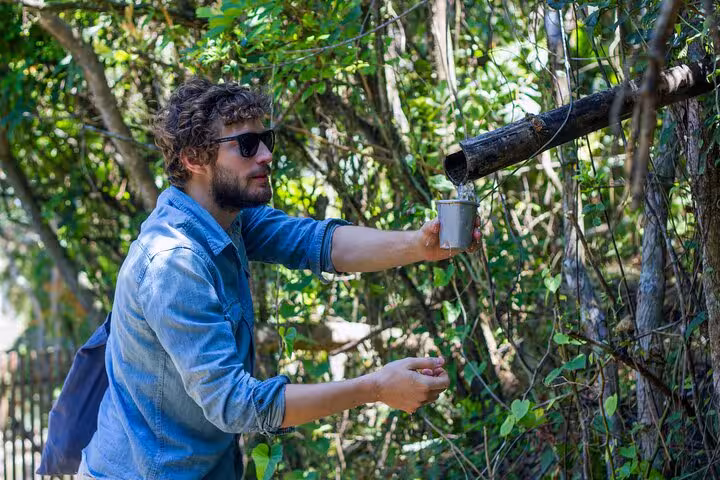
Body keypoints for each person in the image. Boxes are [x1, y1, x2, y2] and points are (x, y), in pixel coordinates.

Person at [78, 78, 481, 479]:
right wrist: (375, 388)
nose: (267, 155)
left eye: (266, 139)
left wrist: (419, 246)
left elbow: (317, 244)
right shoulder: (172, 264)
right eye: (248, 145)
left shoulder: (229, 220)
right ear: (194, 159)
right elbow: (235, 405)